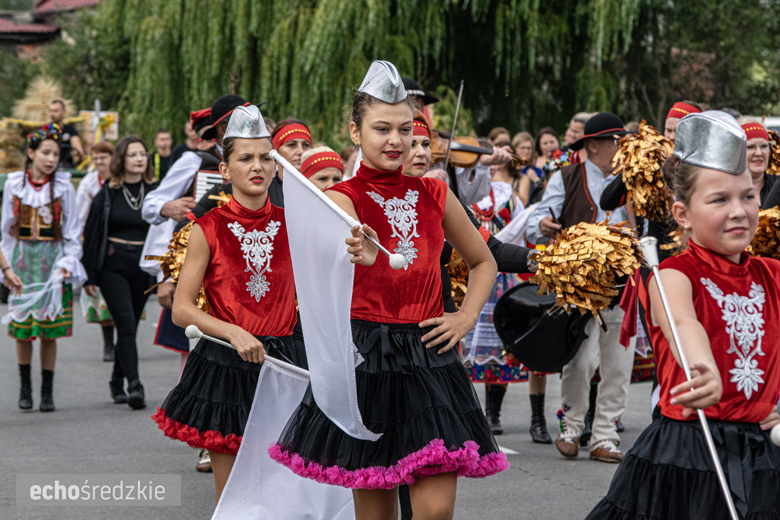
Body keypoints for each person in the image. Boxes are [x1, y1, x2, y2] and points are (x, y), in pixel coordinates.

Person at [269, 60, 507, 520]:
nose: (395, 141)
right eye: (382, 129)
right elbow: (331, 247)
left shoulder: (436, 193)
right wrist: (351, 250)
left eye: (404, 128)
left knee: (435, 511)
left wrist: (465, 317)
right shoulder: (342, 198)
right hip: (366, 358)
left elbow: (484, 261)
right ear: (355, 132)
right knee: (376, 515)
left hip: (430, 354)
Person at [585, 111, 780, 520]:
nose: (739, 211)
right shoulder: (672, 275)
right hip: (688, 454)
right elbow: (683, 324)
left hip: (764, 457)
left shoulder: (772, 275)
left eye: (747, 196)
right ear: (682, 214)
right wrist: (703, 368)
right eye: (719, 199)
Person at [152, 105, 305, 503]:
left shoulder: (297, 225)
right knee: (235, 496)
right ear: (225, 170)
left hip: (287, 365)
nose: (257, 166)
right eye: (245, 158)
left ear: (275, 167)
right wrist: (234, 331)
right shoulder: (207, 228)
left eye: (265, 158)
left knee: (286, 493)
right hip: (226, 364)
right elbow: (183, 308)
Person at [528, 112, 636, 463]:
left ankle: (605, 435)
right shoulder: (566, 176)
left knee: (618, 361)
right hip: (579, 286)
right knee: (579, 358)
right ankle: (571, 427)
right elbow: (537, 216)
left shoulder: (632, 178)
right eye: (614, 142)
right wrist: (542, 223)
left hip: (623, 283)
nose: (620, 148)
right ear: (593, 145)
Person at [1, 123, 86, 412]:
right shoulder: (14, 183)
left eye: (55, 154)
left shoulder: (63, 186)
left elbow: (73, 231)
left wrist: (66, 263)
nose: (51, 159)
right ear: (31, 153)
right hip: (22, 264)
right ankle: (25, 387)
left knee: (49, 330)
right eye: (45, 153)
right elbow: (4, 232)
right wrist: (6, 267)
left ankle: (46, 390)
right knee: (23, 328)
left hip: (52, 264)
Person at [82, 136, 157, 410]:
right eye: (133, 154)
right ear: (121, 159)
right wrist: (89, 275)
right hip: (113, 266)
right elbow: (91, 233)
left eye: (143, 154)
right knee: (124, 324)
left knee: (131, 327)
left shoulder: (155, 191)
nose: (139, 158)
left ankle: (116, 381)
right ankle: (134, 384)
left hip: (143, 266)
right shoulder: (108, 192)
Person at [76, 141, 116, 362]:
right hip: (98, 242)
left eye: (104, 157)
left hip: (119, 241)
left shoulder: (120, 179)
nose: (100, 162)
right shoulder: (88, 185)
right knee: (102, 296)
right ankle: (108, 343)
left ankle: (124, 341)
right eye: (97, 158)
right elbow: (80, 218)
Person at [738, 118, 779, 208]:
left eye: (764, 146)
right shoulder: (727, 189)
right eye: (750, 147)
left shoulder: (777, 184)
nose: (759, 153)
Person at [49, 100, 84, 169]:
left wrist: (76, 153)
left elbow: (78, 148)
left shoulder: (70, 129)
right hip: (48, 164)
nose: (52, 114)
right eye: (50, 111)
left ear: (63, 112)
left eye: (55, 111)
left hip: (65, 165)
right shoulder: (44, 129)